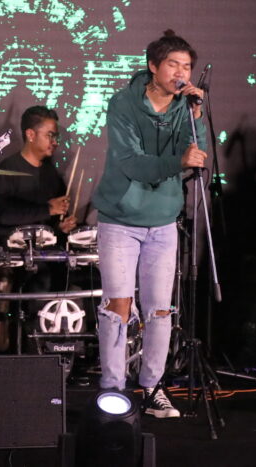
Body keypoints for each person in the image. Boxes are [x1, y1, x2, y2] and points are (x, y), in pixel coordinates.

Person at [91, 30, 207, 418]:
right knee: (118, 307)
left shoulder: (185, 107)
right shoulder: (123, 103)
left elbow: (196, 153)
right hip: (120, 220)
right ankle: (113, 390)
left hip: (163, 221)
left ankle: (153, 387)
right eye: (173, 64)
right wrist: (177, 161)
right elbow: (131, 163)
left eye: (187, 66)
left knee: (160, 310)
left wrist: (196, 116)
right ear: (153, 66)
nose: (181, 73)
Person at [0, 105, 77, 244]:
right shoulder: (8, 168)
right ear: (30, 135)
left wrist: (60, 228)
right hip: (12, 251)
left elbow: (48, 227)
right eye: (50, 135)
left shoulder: (52, 173)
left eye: (56, 137)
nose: (55, 142)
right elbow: (2, 215)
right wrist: (48, 209)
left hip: (43, 251)